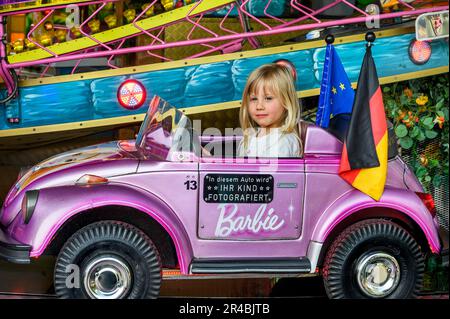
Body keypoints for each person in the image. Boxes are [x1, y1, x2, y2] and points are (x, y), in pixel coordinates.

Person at [237, 63, 302, 158]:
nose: (259, 106)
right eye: (254, 99)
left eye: (268, 98)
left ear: (287, 102)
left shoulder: (284, 142)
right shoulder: (250, 136)